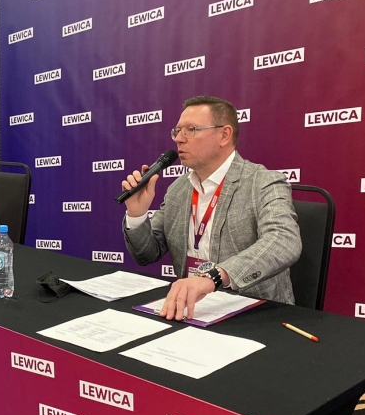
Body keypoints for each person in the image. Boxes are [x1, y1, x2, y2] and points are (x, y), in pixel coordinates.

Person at [121, 95, 301, 320]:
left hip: (255, 315)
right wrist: (137, 214)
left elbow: (284, 240)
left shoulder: (262, 181)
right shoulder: (178, 189)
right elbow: (146, 254)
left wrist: (214, 277)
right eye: (177, 131)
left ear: (224, 135)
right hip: (193, 311)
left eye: (191, 129)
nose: (179, 139)